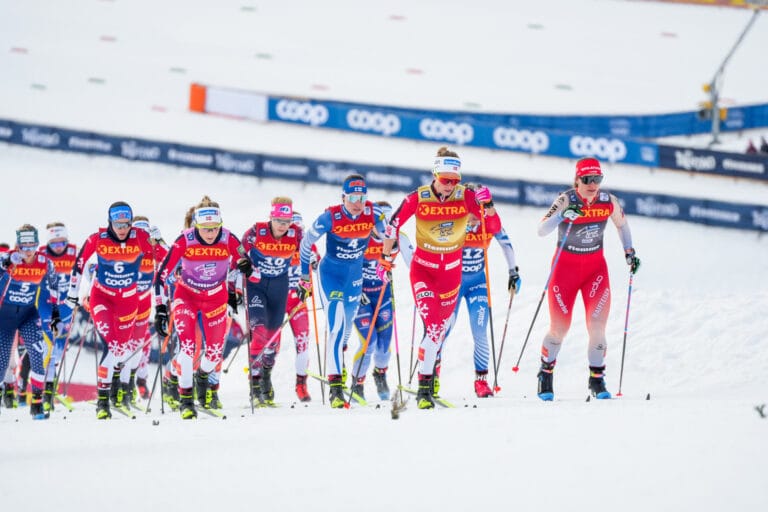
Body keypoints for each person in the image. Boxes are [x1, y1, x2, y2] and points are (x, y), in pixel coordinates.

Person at [382, 147, 499, 409]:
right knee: (434, 328)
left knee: (438, 332)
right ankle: (425, 389)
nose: (450, 186)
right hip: (423, 271)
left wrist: (488, 206)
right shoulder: (419, 197)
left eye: (455, 181)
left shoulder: (465, 196)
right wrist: (385, 255)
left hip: (452, 274)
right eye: (446, 180)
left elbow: (493, 228)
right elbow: (393, 223)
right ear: (435, 174)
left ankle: (428, 382)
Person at [535, 157, 641, 401]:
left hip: (595, 271)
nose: (593, 185)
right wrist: (563, 216)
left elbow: (622, 226)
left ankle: (597, 379)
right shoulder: (566, 199)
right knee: (559, 329)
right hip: (564, 272)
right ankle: (545, 373)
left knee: (597, 327)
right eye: (587, 180)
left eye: (597, 179)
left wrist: (629, 252)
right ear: (577, 180)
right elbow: (541, 230)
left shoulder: (607, 201)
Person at [66, 202, 161, 419]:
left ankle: (117, 390)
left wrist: (158, 240)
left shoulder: (140, 238)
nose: (122, 228)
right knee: (113, 346)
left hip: (129, 301)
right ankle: (103, 402)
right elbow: (79, 264)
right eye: (117, 224)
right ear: (110, 222)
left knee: (122, 350)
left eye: (126, 224)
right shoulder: (97, 239)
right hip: (103, 299)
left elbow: (165, 256)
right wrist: (73, 293)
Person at [299, 174, 386, 408]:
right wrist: (304, 277)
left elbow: (388, 237)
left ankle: (339, 363)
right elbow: (306, 243)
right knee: (336, 327)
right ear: (343, 197)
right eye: (353, 197)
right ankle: (336, 387)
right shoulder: (331, 216)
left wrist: (387, 254)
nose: (358, 203)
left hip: (354, 279)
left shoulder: (373, 213)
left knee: (346, 330)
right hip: (331, 276)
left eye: (362, 197)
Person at [154, 196, 242, 419]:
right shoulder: (185, 240)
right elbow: (160, 276)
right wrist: (161, 308)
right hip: (187, 297)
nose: (211, 233)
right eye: (205, 229)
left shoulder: (228, 237)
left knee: (213, 354)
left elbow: (242, 261)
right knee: (188, 348)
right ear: (196, 225)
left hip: (215, 298)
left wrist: (236, 288)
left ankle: (202, 378)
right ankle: (185, 399)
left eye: (214, 228)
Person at [445, 187, 521, 398]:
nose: (475, 217)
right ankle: (431, 375)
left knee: (479, 330)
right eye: (473, 208)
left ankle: (481, 381)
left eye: (480, 208)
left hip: (477, 282)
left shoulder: (489, 221)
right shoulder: (454, 218)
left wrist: (513, 272)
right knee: (443, 330)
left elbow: (505, 244)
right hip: (452, 283)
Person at [237, 196, 303, 407]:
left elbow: (308, 253)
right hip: (256, 285)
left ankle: (266, 376)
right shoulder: (256, 232)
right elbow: (237, 251)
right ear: (271, 218)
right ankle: (254, 385)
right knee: (259, 331)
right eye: (279, 221)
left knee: (273, 339)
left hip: (279, 286)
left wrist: (306, 280)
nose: (283, 226)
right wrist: (244, 265)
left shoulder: (296, 233)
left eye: (287, 222)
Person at [349, 201, 413, 401]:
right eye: (381, 222)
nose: (386, 228)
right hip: (361, 295)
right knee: (368, 342)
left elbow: (414, 264)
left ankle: (380, 373)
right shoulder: (361, 237)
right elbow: (347, 265)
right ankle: (356, 383)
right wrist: (355, 289)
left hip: (383, 293)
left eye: (389, 222)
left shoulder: (399, 238)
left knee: (384, 345)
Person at [0, 225, 60, 419]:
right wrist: (7, 263)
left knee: (37, 353)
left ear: (37, 244)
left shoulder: (45, 262)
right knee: (2, 363)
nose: (27, 251)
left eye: (31, 246)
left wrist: (56, 314)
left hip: (28, 314)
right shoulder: (8, 258)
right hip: (5, 316)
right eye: (23, 246)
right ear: (17, 245)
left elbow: (53, 287)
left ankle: (36, 404)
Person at [117, 216, 168, 405]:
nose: (141, 239)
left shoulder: (154, 252)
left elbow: (175, 261)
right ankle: (119, 387)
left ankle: (131, 385)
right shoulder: (125, 249)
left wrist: (160, 241)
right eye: (137, 234)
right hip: (123, 304)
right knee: (121, 346)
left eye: (145, 235)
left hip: (143, 304)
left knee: (138, 346)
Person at [36, 222, 78, 412]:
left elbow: (84, 271)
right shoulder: (41, 254)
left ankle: (52, 391)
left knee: (59, 351)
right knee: (49, 350)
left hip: (66, 307)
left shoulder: (74, 253)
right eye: (54, 243)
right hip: (47, 305)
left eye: (62, 242)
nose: (58, 247)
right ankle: (46, 395)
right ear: (48, 243)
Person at [285, 211, 318, 402]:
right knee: (269, 342)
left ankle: (301, 384)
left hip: (298, 301)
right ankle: (259, 383)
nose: (297, 236)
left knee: (303, 343)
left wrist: (315, 260)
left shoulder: (308, 244)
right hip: (276, 298)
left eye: (300, 232)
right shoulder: (277, 243)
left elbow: (318, 263)